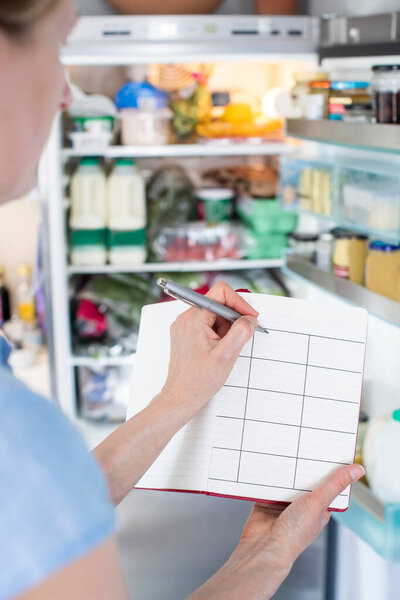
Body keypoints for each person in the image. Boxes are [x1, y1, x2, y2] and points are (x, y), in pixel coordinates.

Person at [0, 1, 364, 599]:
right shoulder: (19, 431)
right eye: (57, 47)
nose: (66, 93)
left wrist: (178, 399)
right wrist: (270, 558)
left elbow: (45, 509)